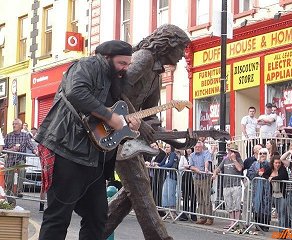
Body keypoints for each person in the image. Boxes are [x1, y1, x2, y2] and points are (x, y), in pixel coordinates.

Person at [35, 40, 141, 240]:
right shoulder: (87, 65)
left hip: (94, 158)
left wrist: (127, 124)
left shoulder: (114, 80)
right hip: (67, 150)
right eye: (121, 63)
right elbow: (76, 92)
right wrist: (111, 117)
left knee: (97, 217)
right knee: (58, 217)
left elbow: (106, 123)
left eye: (128, 64)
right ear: (107, 58)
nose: (125, 68)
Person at [105, 24, 192, 240]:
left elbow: (151, 116)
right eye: (181, 48)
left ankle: (95, 232)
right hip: (113, 126)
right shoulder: (143, 58)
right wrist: (138, 122)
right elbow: (116, 91)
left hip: (127, 132)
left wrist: (175, 141)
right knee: (140, 184)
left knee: (135, 188)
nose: (183, 55)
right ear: (168, 45)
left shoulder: (157, 72)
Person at [212, 143, 243, 229]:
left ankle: (237, 221)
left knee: (236, 204)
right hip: (226, 185)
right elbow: (218, 168)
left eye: (232, 151)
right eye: (229, 151)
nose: (230, 153)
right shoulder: (225, 160)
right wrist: (215, 174)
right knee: (229, 204)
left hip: (236, 185)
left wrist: (234, 160)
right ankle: (232, 221)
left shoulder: (239, 159)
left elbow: (240, 169)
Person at [3, 118, 38, 196]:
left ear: (20, 126)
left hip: (20, 159)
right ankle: (8, 192)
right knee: (9, 177)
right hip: (10, 159)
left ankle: (19, 191)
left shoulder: (25, 136)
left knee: (22, 169)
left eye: (15, 124)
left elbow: (31, 145)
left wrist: (36, 151)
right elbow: (3, 148)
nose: (13, 125)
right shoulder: (9, 135)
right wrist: (11, 149)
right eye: (13, 124)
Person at [247, 148, 272, 232]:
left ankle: (265, 225)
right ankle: (257, 224)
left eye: (264, 153)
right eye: (260, 153)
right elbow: (249, 174)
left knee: (266, 205)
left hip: (266, 188)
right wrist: (256, 173)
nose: (262, 155)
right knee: (257, 205)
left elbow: (270, 171)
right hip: (257, 187)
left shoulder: (269, 164)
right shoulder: (254, 164)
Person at [189, 141, 213, 225]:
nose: (197, 148)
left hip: (205, 178)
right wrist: (195, 169)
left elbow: (207, 161)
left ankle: (209, 218)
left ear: (202, 147)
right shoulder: (192, 155)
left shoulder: (206, 153)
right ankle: (202, 217)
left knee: (206, 199)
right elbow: (190, 166)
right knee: (199, 199)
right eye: (196, 147)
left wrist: (206, 168)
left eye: (199, 147)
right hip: (196, 179)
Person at [264, 155, 289, 228]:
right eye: (276, 163)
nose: (277, 164)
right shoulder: (270, 169)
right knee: (279, 213)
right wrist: (269, 177)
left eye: (279, 163)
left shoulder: (282, 169)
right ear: (273, 163)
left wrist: (272, 178)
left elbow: (281, 176)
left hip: (282, 194)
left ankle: (283, 232)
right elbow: (264, 174)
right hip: (274, 194)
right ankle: (282, 231)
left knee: (282, 213)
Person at [158, 144, 178, 215]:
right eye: (165, 147)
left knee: (171, 193)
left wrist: (161, 167)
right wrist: (155, 164)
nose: (166, 148)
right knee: (165, 193)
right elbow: (161, 163)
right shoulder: (167, 155)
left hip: (172, 176)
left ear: (171, 148)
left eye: (168, 147)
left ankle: (172, 211)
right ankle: (168, 210)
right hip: (167, 176)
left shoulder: (173, 154)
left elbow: (170, 164)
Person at [178, 148, 197, 221]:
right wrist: (187, 167)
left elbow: (195, 166)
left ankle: (193, 214)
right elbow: (180, 167)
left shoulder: (194, 157)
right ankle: (185, 213)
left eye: (190, 149)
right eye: (187, 149)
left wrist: (189, 167)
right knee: (185, 196)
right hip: (185, 178)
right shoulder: (183, 157)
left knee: (193, 197)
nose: (188, 150)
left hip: (193, 178)